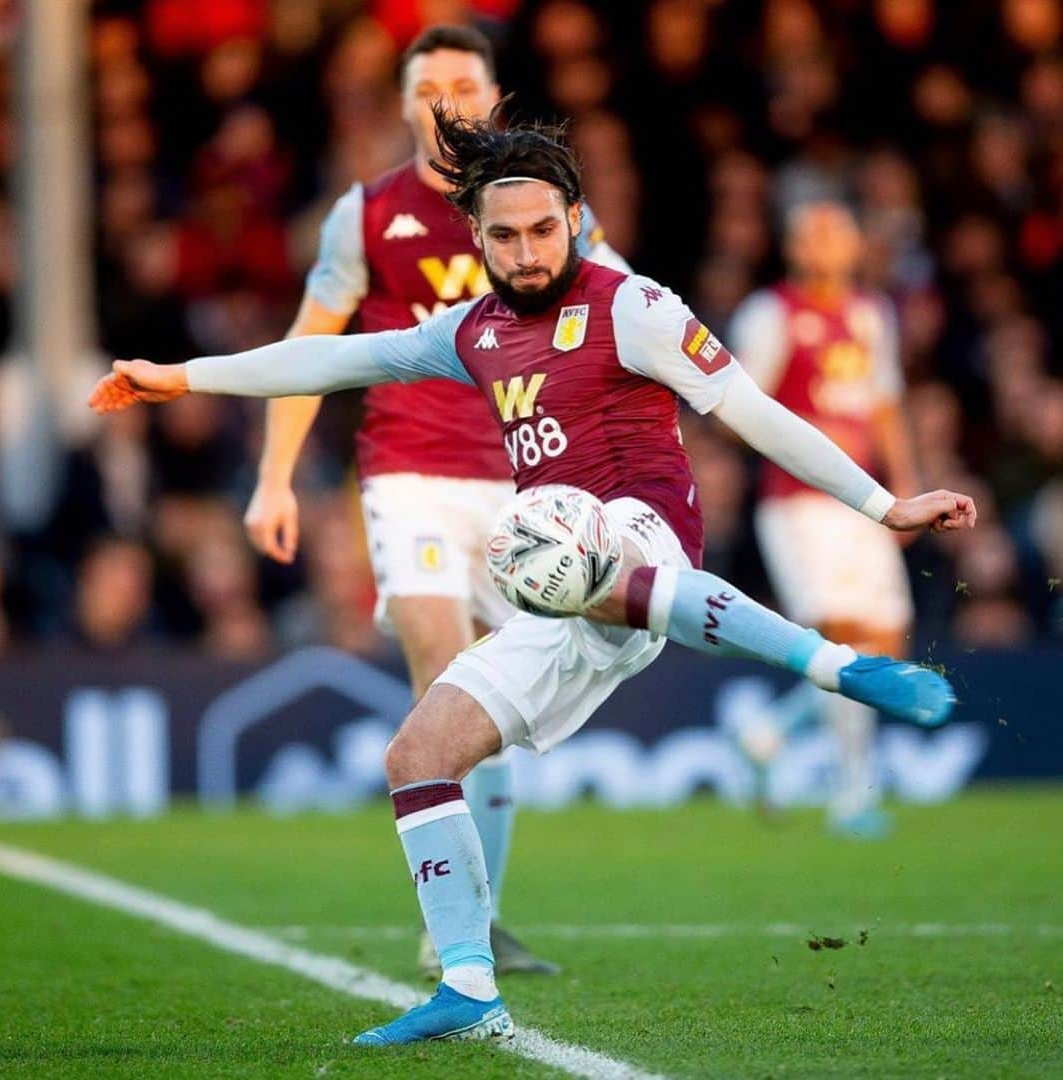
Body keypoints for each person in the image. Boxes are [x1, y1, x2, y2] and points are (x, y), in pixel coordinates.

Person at [89, 105, 976, 1046]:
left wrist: (886, 506)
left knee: (546, 532)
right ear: (475, 236)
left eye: (543, 231)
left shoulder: (633, 307)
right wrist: (181, 376)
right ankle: (470, 989)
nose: (525, 252)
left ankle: (836, 667)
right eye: (504, 236)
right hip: (561, 589)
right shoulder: (469, 332)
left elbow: (756, 413)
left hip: (645, 535)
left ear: (575, 219)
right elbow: (335, 356)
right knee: (418, 757)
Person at [243, 24, 626, 977]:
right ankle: (450, 929)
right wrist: (272, 475)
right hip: (409, 473)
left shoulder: (540, 209)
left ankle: (475, 916)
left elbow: (627, 309)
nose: (446, 100)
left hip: (527, 478)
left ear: (495, 97)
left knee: (491, 705)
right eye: (428, 87)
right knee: (442, 672)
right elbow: (311, 349)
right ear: (406, 103)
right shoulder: (366, 215)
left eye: (463, 82)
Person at [726, 201, 920, 837]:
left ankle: (770, 730)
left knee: (887, 643)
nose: (826, 242)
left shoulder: (870, 313)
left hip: (863, 500)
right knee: (841, 639)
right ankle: (851, 796)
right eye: (812, 232)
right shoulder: (771, 313)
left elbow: (884, 405)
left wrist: (908, 485)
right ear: (793, 247)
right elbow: (742, 402)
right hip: (800, 500)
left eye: (837, 230)